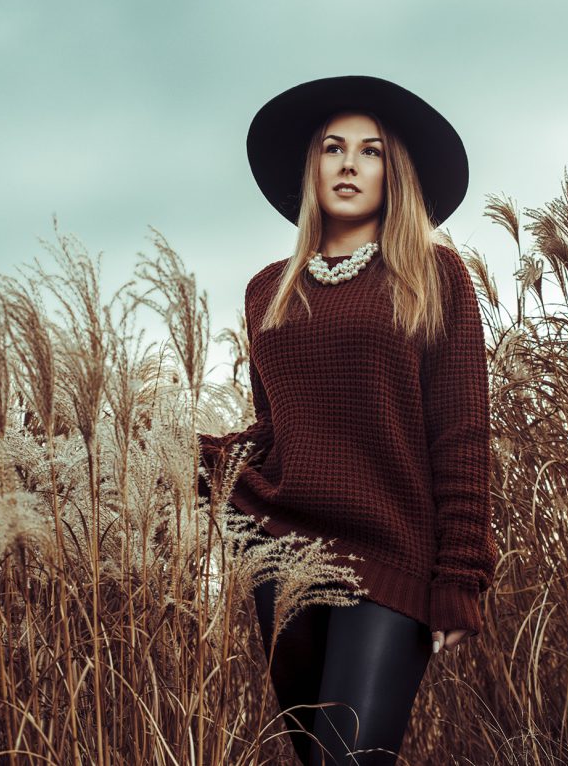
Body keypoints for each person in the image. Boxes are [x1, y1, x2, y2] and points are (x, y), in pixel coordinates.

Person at [197, 75, 497, 765]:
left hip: (389, 559)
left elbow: (461, 436)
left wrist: (459, 579)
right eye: (333, 148)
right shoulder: (268, 291)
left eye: (371, 151)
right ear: (313, 168)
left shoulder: (435, 275)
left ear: (395, 173)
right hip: (285, 560)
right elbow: (277, 428)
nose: (349, 164)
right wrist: (177, 457)